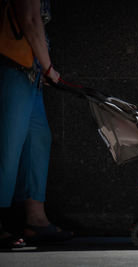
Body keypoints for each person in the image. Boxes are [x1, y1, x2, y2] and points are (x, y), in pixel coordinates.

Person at [0, 0, 73, 248]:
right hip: (11, 67)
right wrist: (48, 67)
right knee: (7, 147)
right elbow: (29, 20)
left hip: (29, 72)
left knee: (37, 140)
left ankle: (36, 219)